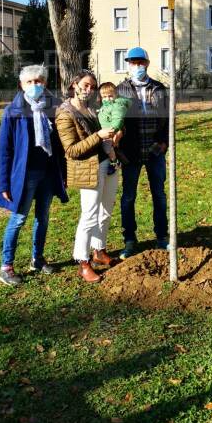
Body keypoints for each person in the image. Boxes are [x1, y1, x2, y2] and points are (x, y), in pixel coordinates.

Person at [0, 64, 68, 286]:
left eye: (39, 81)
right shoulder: (13, 111)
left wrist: (63, 174)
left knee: (42, 218)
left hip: (47, 173)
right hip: (24, 176)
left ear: (45, 83)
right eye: (30, 82)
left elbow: (60, 145)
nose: (35, 85)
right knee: (18, 219)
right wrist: (4, 184)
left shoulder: (54, 107)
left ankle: (37, 258)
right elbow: (4, 150)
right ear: (21, 85)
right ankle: (6, 266)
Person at [56, 71, 120, 283]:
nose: (89, 89)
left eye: (93, 86)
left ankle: (99, 250)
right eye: (85, 84)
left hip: (107, 163)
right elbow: (72, 150)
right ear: (75, 84)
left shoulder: (92, 109)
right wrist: (98, 136)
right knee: (89, 215)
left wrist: (112, 137)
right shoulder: (65, 113)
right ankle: (83, 262)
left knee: (106, 211)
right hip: (87, 168)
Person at [117, 47, 169, 259]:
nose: (136, 66)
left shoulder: (159, 88)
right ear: (128, 64)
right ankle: (129, 239)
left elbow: (168, 117)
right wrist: (118, 150)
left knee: (159, 195)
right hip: (131, 152)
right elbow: (114, 121)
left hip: (155, 150)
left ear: (146, 64)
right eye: (132, 63)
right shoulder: (121, 90)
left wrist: (164, 142)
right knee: (129, 197)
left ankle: (162, 236)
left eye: (140, 62)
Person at [97, 82, 131, 173]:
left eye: (110, 96)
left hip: (111, 131)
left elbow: (118, 119)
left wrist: (114, 129)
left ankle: (115, 163)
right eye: (104, 97)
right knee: (110, 148)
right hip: (106, 131)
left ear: (116, 95)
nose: (107, 99)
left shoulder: (117, 106)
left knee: (108, 147)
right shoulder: (104, 106)